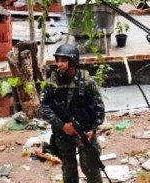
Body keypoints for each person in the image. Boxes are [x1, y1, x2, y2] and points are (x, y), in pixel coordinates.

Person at [39, 44, 106, 183]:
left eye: (64, 60)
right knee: (69, 171)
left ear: (73, 61)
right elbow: (44, 109)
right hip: (63, 134)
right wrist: (63, 126)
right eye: (58, 60)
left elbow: (99, 109)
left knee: (92, 170)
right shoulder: (52, 83)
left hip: (85, 133)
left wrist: (92, 130)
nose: (59, 64)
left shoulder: (87, 82)